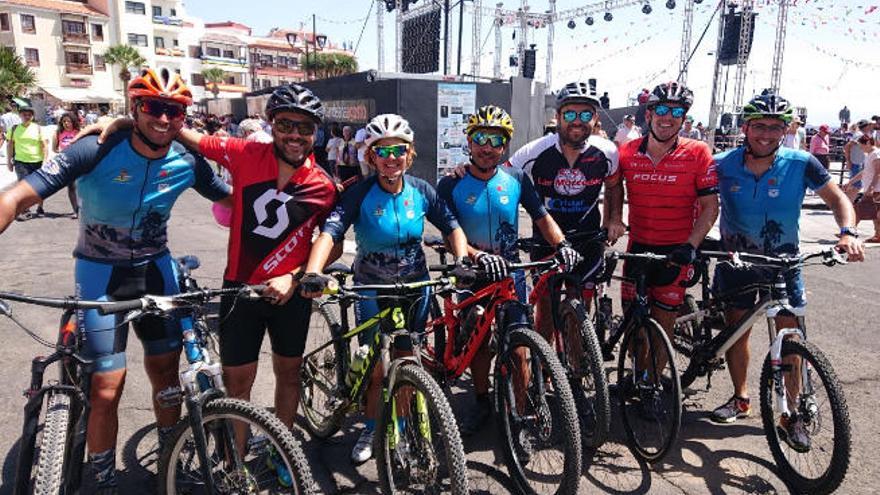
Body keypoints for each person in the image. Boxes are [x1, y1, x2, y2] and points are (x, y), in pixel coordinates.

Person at [0, 68, 231, 491]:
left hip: (157, 271)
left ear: (184, 117)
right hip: (99, 272)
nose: (163, 119)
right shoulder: (96, 148)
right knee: (106, 387)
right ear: (135, 107)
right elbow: (16, 197)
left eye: (174, 111)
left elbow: (237, 202)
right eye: (153, 107)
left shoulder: (188, 161)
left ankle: (169, 454)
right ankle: (104, 475)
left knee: (166, 375)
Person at [300, 113, 470, 464]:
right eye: (382, 150)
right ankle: (372, 424)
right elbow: (331, 233)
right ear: (370, 156)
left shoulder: (423, 191)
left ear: (409, 154)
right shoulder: (358, 193)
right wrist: (314, 271)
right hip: (371, 287)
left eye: (398, 150)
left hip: (414, 285)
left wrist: (462, 258)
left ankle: (405, 424)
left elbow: (452, 228)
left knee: (408, 359)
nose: (390, 157)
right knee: (375, 365)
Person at [710, 93, 864, 452]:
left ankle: (792, 411)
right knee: (738, 333)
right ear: (745, 128)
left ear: (786, 130)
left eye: (775, 127)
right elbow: (696, 199)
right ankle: (740, 397)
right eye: (759, 126)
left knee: (791, 340)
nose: (766, 134)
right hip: (738, 262)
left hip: (785, 262)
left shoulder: (802, 162)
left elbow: (838, 199)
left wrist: (848, 233)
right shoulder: (721, 163)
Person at [436, 105, 581, 435]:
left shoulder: (516, 179)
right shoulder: (450, 185)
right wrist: (473, 256)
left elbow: (542, 216)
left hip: (510, 272)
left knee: (519, 347)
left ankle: (523, 411)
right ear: (469, 142)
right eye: (481, 139)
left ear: (505, 146)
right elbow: (449, 236)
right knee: (478, 340)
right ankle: (482, 400)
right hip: (473, 274)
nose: (487, 147)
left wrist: (562, 245)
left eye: (496, 140)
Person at [617, 82, 719, 413]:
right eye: (661, 110)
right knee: (634, 324)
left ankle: (650, 383)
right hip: (638, 248)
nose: (668, 118)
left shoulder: (698, 152)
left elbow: (709, 207)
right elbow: (612, 189)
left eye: (677, 112)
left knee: (662, 324)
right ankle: (637, 369)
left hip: (676, 251)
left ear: (684, 118)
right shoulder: (627, 153)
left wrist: (691, 245)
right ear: (649, 114)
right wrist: (614, 219)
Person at [506, 81, 625, 342]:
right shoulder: (535, 151)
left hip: (588, 239)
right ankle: (546, 375)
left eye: (586, 115)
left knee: (580, 308)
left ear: (595, 119)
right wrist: (464, 174)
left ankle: (577, 365)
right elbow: (498, 180)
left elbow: (614, 185)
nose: (577, 121)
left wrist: (614, 218)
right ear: (557, 117)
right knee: (546, 310)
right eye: (570, 114)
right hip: (547, 241)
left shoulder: (607, 151)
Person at [5, 104, 48, 219]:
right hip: (20, 162)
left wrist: (45, 161)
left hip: (37, 161)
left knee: (39, 186)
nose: (27, 116)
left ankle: (40, 207)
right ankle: (25, 210)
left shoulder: (38, 128)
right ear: (20, 115)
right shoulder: (14, 129)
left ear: (32, 116)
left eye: (29, 115)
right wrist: (9, 161)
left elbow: (44, 146)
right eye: (24, 114)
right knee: (23, 187)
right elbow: (9, 145)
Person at [844, 134, 880, 242]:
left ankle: (847, 232)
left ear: (868, 143)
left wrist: (871, 188)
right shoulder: (869, 154)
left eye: (862, 146)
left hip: (875, 189)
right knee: (874, 215)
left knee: (858, 211)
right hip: (871, 189)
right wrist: (851, 181)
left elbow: (878, 173)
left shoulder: (876, 154)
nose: (861, 148)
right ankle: (877, 235)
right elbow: (864, 172)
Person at [53, 112, 81, 218]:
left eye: (68, 121)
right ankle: (76, 210)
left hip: (79, 162)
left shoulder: (78, 132)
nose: (66, 123)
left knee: (81, 187)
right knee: (71, 187)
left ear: (73, 122)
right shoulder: (59, 133)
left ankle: (84, 209)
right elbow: (54, 149)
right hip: (66, 163)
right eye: (64, 121)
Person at [844, 119, 874, 190]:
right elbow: (847, 146)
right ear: (866, 126)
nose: (871, 127)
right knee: (855, 186)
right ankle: (850, 200)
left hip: (858, 163)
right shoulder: (860, 135)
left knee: (856, 185)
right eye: (870, 125)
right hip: (856, 163)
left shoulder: (862, 134)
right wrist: (848, 161)